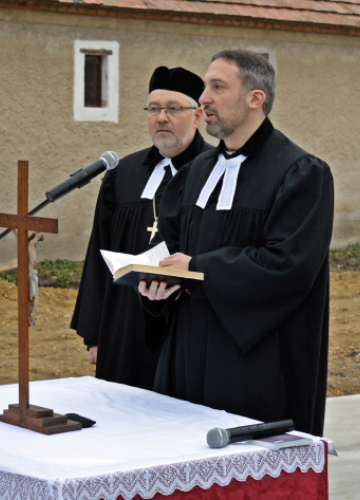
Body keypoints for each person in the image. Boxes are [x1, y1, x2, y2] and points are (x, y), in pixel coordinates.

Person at [138, 50, 334, 436]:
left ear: (255, 98)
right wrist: (154, 282)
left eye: (216, 87)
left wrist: (198, 269)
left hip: (255, 359)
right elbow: (169, 246)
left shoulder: (301, 173)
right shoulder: (195, 172)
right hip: (186, 350)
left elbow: (288, 265)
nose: (204, 97)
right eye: (205, 87)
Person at [71, 66, 211, 390]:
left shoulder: (215, 173)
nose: (161, 118)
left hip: (186, 325)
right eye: (153, 109)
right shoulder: (123, 174)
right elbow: (98, 251)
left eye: (174, 108)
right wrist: (95, 334)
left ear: (198, 115)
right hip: (123, 323)